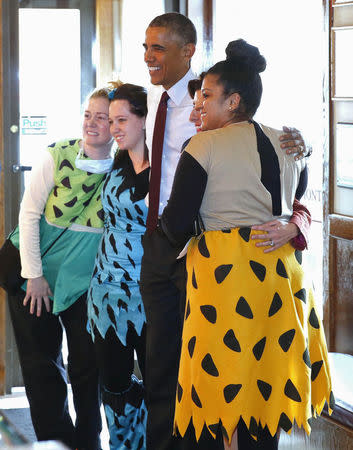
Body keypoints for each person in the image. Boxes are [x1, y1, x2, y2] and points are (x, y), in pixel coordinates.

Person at [140, 12, 311, 450]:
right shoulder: (289, 142)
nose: (200, 104)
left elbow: (177, 221)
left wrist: (156, 255)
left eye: (208, 96)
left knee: (220, 383)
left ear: (232, 101)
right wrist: (292, 223)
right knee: (262, 384)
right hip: (279, 280)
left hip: (226, 278)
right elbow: (298, 201)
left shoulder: (204, 144)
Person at [7, 87, 115, 450]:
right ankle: (57, 442)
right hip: (31, 274)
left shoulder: (124, 168)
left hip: (83, 283)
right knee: (42, 367)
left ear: (117, 124)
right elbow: (29, 214)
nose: (93, 123)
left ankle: (89, 441)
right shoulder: (59, 154)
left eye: (103, 117)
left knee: (88, 363)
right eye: (89, 114)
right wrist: (33, 276)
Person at [87, 82, 149, 450]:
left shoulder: (170, 166)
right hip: (105, 295)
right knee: (113, 383)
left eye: (122, 120)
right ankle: (124, 446)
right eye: (112, 121)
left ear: (145, 119)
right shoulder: (117, 162)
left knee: (160, 382)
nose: (114, 129)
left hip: (150, 293)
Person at [186, 75, 312, 252]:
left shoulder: (272, 146)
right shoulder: (198, 148)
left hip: (238, 260)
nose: (194, 116)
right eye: (195, 107)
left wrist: (294, 227)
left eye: (203, 107)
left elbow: (295, 203)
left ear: (231, 104)